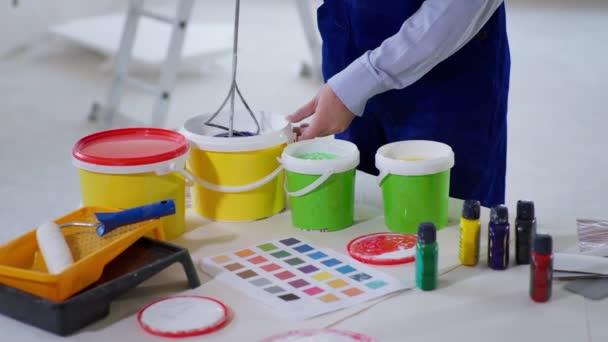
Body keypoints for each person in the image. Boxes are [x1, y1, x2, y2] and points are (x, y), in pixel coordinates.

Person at [288, 0, 510, 208]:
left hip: (445, 72)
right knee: (356, 219)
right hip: (348, 48)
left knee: (442, 228)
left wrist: (361, 81)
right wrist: (351, 86)